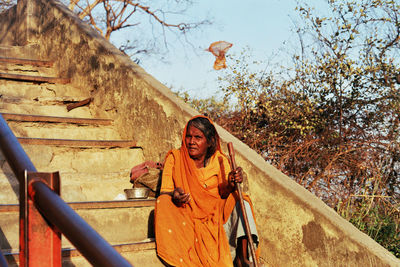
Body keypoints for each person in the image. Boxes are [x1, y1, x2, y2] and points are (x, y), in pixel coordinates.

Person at [155, 115, 259, 267]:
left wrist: (231, 182)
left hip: (215, 218)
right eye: (188, 136)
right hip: (186, 216)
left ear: (210, 142)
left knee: (240, 199)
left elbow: (224, 194)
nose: (191, 142)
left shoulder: (220, 160)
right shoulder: (175, 158)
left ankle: (242, 258)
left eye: (198, 137)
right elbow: (165, 191)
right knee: (163, 202)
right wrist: (174, 195)